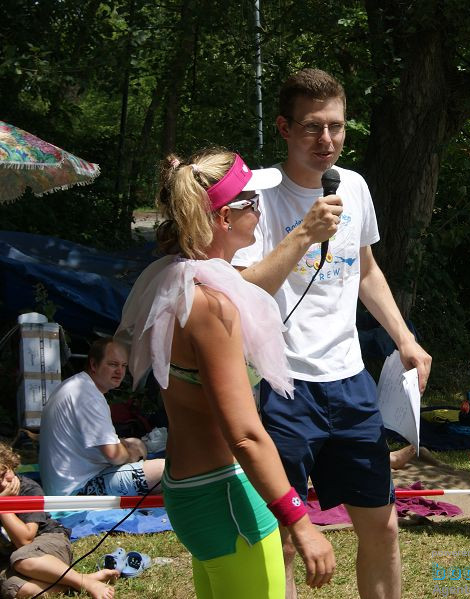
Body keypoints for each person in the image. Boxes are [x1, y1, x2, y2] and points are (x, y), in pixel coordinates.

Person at [231, 68, 431, 599]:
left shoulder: (355, 186)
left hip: (350, 382)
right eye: (312, 128)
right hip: (281, 384)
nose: (326, 141)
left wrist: (405, 338)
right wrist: (303, 234)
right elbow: (243, 289)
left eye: (336, 127)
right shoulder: (257, 193)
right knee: (284, 537)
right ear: (284, 128)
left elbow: (365, 269)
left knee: (383, 526)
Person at [115, 149, 335, 599]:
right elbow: (245, 435)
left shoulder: (173, 279)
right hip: (226, 494)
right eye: (251, 202)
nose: (259, 210)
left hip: (191, 489)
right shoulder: (212, 305)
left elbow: (248, 282)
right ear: (222, 218)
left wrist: (303, 237)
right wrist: (300, 521)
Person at [38, 339, 164, 497]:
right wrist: (132, 455)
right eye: (113, 364)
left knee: (136, 443)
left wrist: (129, 446)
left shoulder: (76, 386)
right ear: (93, 365)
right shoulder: (88, 396)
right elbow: (114, 455)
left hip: (63, 484)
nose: (120, 371)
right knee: (166, 471)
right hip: (76, 492)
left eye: (123, 366)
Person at [0, 442, 119, 599]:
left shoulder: (28, 489)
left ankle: (86, 583)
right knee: (11, 588)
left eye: (3, 475)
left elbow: (25, 540)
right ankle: (81, 580)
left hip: (47, 543)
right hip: (14, 558)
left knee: (22, 559)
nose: (3, 483)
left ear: (11, 465)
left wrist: (2, 506)